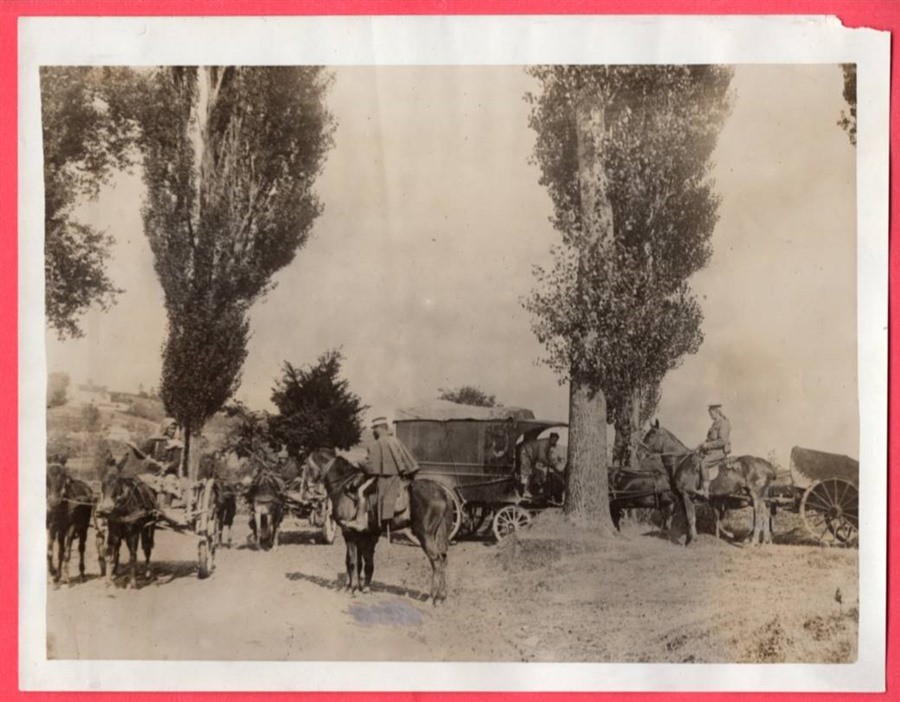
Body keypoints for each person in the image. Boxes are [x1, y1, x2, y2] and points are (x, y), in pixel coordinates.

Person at [344, 416, 419, 531]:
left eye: (375, 428)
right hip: (398, 478)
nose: (374, 431)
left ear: (381, 428)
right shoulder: (396, 440)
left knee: (360, 491)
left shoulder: (376, 444)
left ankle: (360, 521)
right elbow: (407, 461)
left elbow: (370, 466)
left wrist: (358, 463)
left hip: (383, 479)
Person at [696, 403, 731, 498]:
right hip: (712, 451)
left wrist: (707, 445)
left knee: (704, 463)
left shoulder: (724, 423)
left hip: (720, 452)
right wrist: (701, 446)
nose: (710, 415)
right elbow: (710, 439)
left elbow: (722, 441)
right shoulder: (714, 424)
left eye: (710, 413)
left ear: (716, 412)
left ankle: (705, 490)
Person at [517, 432, 560, 500]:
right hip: (526, 452)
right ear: (550, 438)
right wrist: (549, 463)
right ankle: (523, 492)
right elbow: (541, 456)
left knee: (537, 472)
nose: (555, 441)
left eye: (556, 440)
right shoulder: (544, 443)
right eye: (554, 439)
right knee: (526, 472)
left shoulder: (548, 444)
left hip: (530, 455)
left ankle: (531, 490)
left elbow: (547, 456)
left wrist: (552, 464)